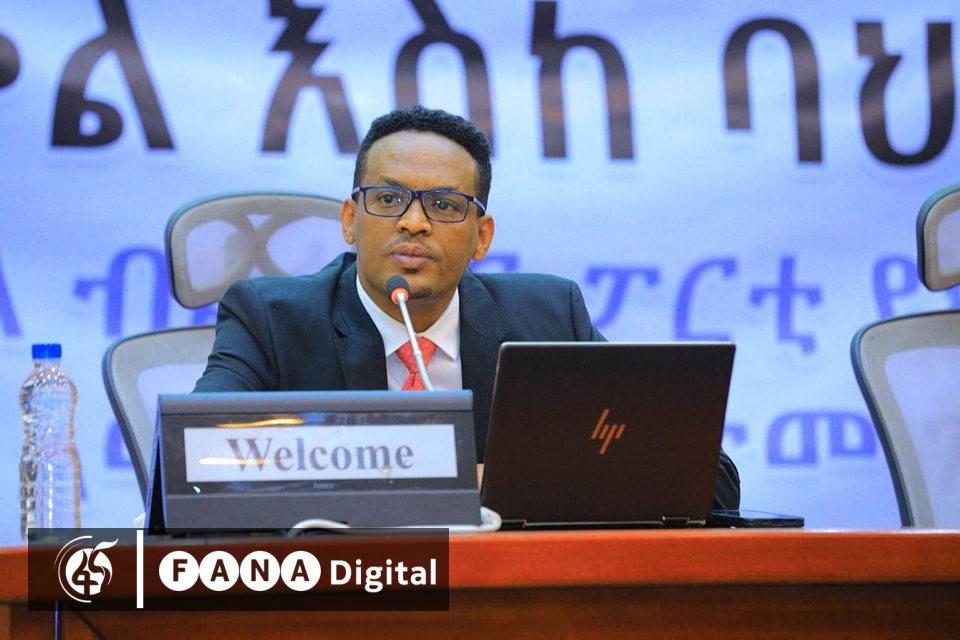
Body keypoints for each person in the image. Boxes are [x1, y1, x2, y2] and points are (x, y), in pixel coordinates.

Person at [193, 105, 740, 509]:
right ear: (349, 221)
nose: (413, 222)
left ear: (482, 238)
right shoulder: (272, 318)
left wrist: (503, 481)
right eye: (388, 199)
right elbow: (195, 461)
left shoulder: (548, 318)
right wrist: (438, 477)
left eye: (444, 204)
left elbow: (708, 479)